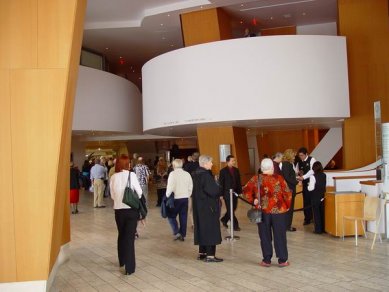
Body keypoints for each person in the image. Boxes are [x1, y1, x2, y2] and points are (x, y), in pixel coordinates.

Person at [243, 158, 292, 267]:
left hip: (262, 211)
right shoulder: (279, 178)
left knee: (264, 236)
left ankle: (266, 260)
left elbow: (245, 190)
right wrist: (287, 206)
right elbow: (287, 194)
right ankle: (282, 260)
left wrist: (253, 200)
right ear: (272, 167)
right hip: (279, 211)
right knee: (280, 235)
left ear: (261, 168)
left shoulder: (256, 178)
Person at [110, 154, 143, 275]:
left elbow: (112, 195)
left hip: (118, 210)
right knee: (129, 238)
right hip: (131, 210)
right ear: (127, 164)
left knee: (121, 235)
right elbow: (139, 193)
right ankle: (130, 268)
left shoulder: (113, 177)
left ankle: (122, 261)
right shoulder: (131, 175)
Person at [192, 155, 223, 262]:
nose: (212, 164)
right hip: (208, 207)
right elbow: (214, 191)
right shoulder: (205, 175)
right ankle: (210, 255)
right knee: (210, 229)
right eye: (210, 162)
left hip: (198, 207)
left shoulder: (195, 174)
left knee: (202, 228)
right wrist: (219, 186)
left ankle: (202, 253)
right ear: (205, 164)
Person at [165, 159, 193, 241]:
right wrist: (188, 194)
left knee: (171, 216)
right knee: (183, 217)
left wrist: (167, 195)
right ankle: (182, 234)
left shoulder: (172, 174)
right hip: (185, 198)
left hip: (175, 199)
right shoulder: (187, 174)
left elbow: (170, 186)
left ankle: (176, 232)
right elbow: (190, 186)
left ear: (173, 166)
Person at [219, 155, 242, 231]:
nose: (234, 162)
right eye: (232, 161)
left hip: (235, 192)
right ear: (227, 161)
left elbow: (239, 182)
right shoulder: (223, 171)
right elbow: (221, 183)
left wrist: (240, 192)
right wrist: (221, 194)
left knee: (234, 208)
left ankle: (224, 219)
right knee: (230, 209)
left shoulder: (236, 170)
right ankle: (235, 225)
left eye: (234, 161)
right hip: (226, 193)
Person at [296, 147, 316, 225]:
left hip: (312, 183)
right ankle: (307, 218)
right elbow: (298, 171)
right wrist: (300, 179)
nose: (301, 157)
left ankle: (314, 218)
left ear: (306, 154)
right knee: (306, 201)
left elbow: (312, 171)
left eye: (302, 155)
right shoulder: (299, 162)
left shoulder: (312, 159)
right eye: (299, 155)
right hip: (304, 184)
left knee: (312, 201)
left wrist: (303, 177)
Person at [281, 149, 299, 232]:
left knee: (289, 209)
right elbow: (287, 177)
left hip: (289, 189)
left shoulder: (287, 164)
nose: (294, 157)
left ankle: (287, 225)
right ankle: (287, 226)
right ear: (289, 155)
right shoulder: (287, 164)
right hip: (290, 189)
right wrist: (296, 182)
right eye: (293, 155)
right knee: (289, 209)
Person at [308, 161, 326, 234]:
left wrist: (308, 185)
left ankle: (318, 230)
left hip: (315, 196)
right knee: (322, 213)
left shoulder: (313, 176)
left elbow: (311, 188)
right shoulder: (324, 175)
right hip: (322, 196)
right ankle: (323, 229)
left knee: (316, 214)